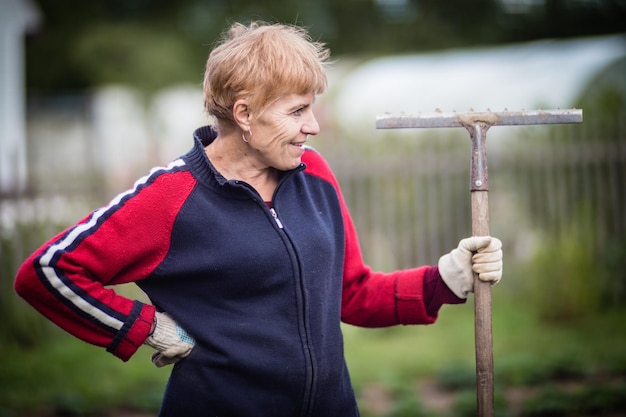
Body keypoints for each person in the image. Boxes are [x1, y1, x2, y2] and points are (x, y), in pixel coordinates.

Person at [14, 21, 503, 417]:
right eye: (297, 111)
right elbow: (46, 271)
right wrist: (144, 327)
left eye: (312, 109)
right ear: (245, 113)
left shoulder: (316, 175)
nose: (312, 126)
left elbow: (351, 293)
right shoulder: (171, 197)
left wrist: (446, 279)